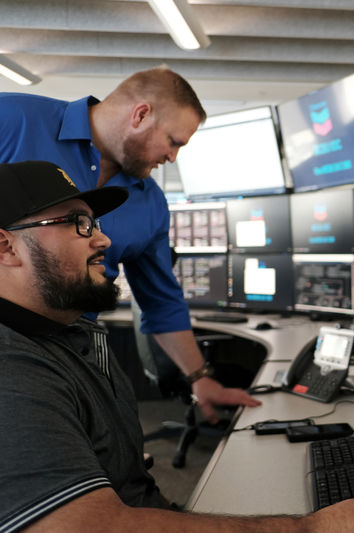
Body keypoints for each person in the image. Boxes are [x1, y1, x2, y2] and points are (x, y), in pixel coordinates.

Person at [0, 160, 354, 533]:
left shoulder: (66, 335)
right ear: (6, 247)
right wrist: (307, 529)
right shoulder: (12, 367)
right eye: (78, 223)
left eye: (95, 223)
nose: (103, 240)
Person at [0, 67, 257, 420]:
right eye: (174, 141)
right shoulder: (16, 119)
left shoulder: (150, 203)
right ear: (140, 115)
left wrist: (200, 378)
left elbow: (161, 300)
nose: (172, 157)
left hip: (74, 353)